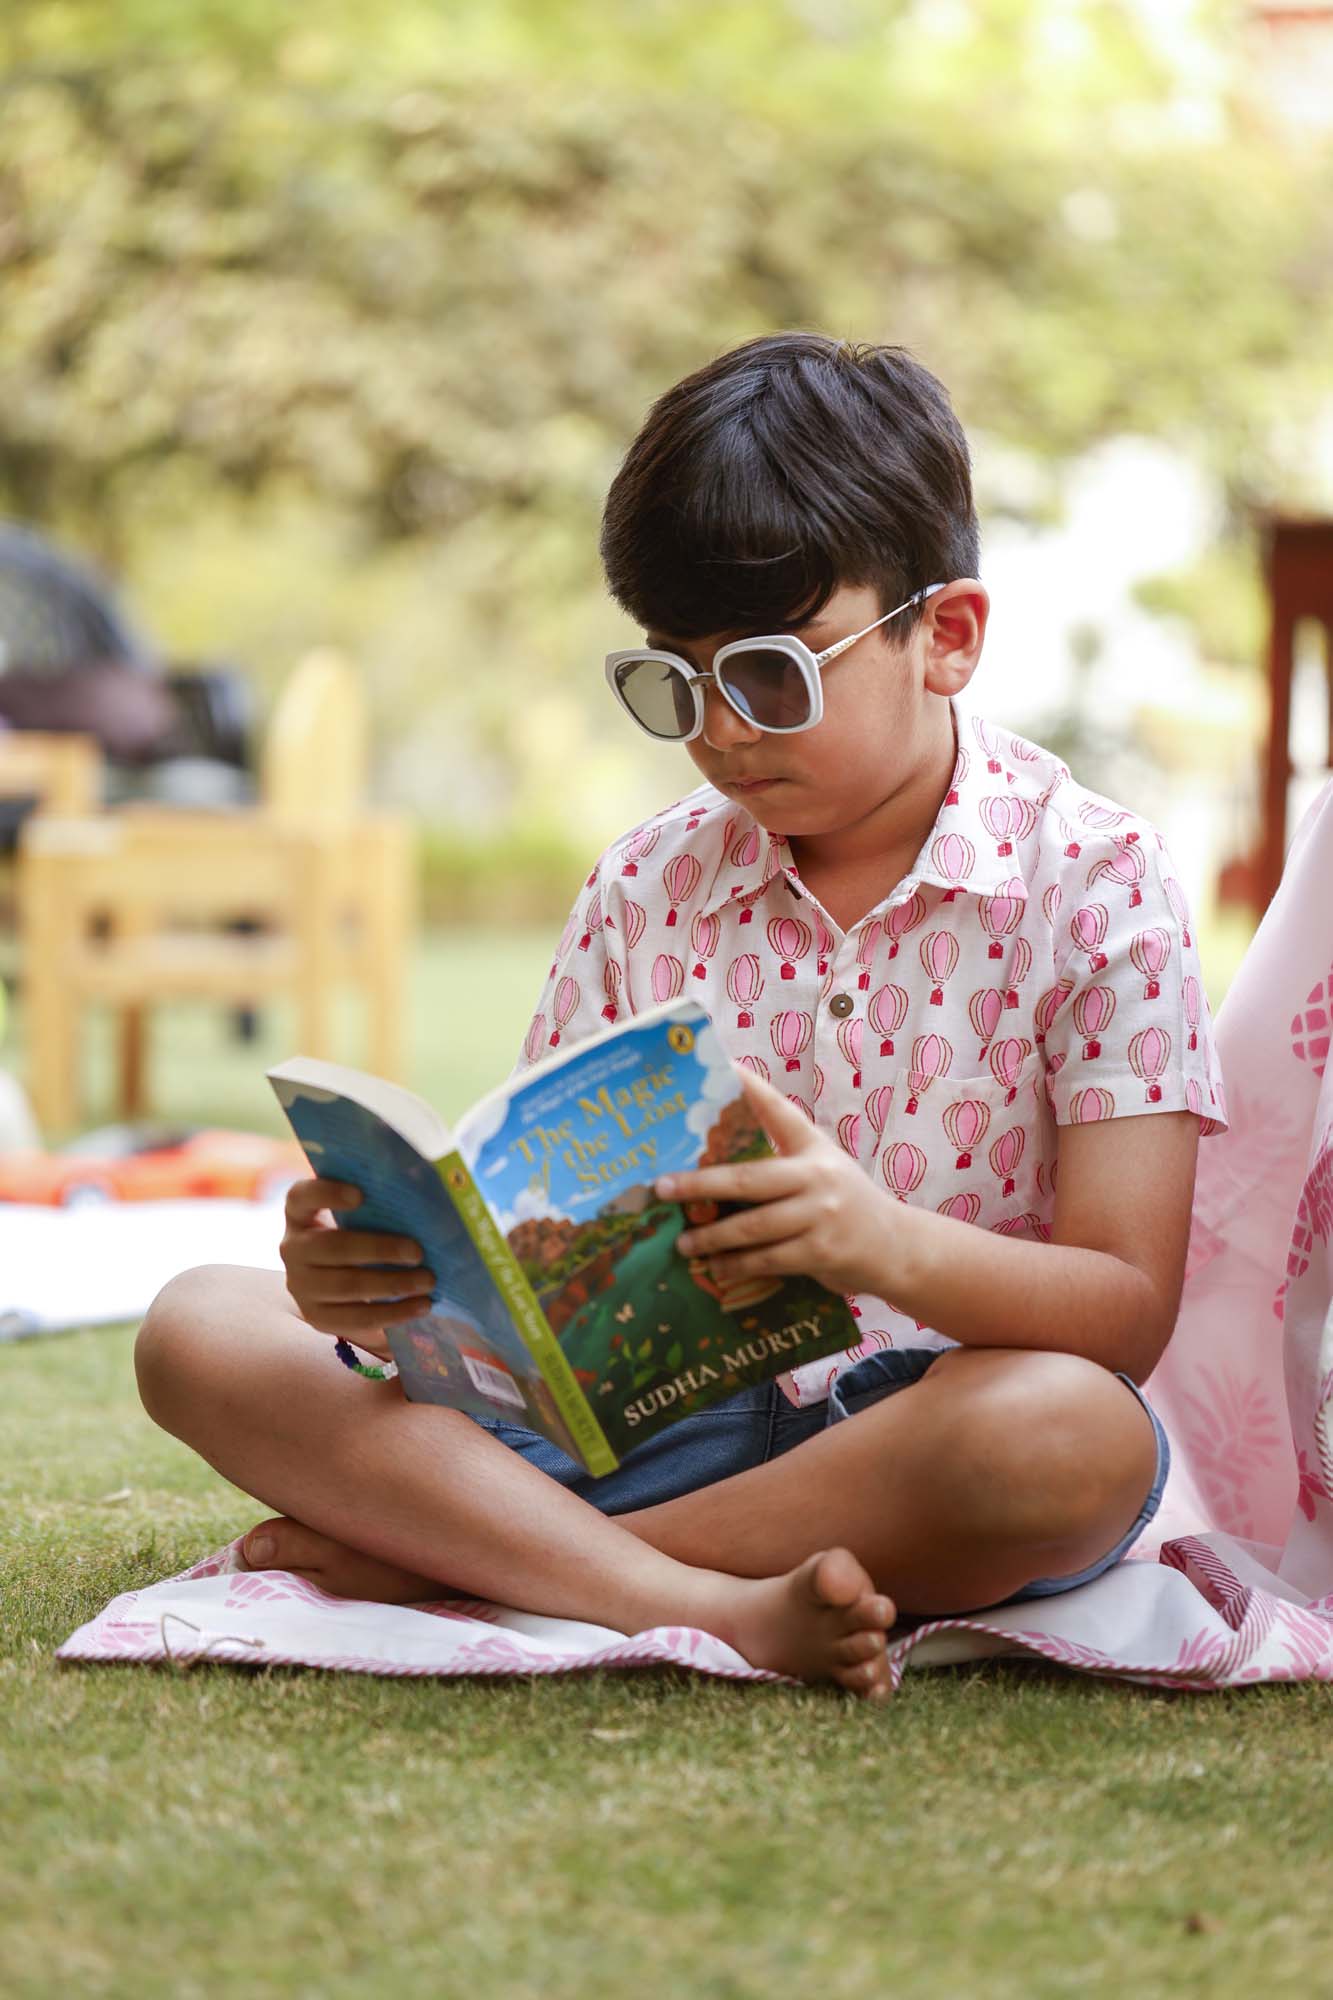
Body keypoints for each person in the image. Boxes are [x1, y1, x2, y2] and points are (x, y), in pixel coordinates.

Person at [135, 333, 1227, 1699]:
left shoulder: (1097, 883)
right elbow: (535, 1284)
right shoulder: (646, 884)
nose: (720, 729)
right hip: (647, 1428)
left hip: (922, 1434)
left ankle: (479, 1563)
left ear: (944, 637)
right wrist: (383, 1300)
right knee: (198, 1326)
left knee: (1073, 1439)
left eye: (771, 671)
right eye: (675, 678)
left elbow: (1125, 1312)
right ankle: (692, 1601)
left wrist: (882, 1243)